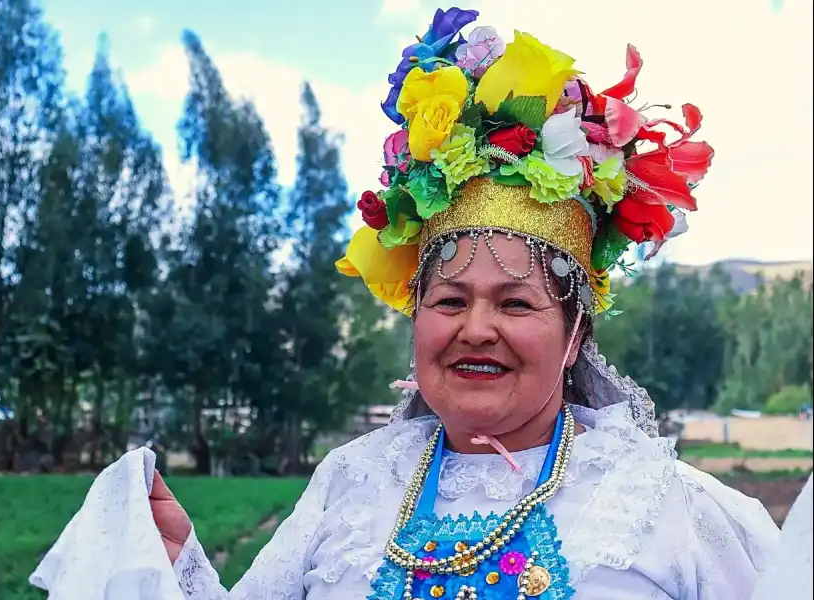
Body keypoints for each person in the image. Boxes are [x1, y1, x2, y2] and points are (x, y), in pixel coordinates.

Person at [150, 7, 782, 599]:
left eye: (514, 304)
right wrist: (177, 570)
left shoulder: (669, 507)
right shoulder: (353, 484)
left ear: (573, 334)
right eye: (450, 301)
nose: (476, 329)